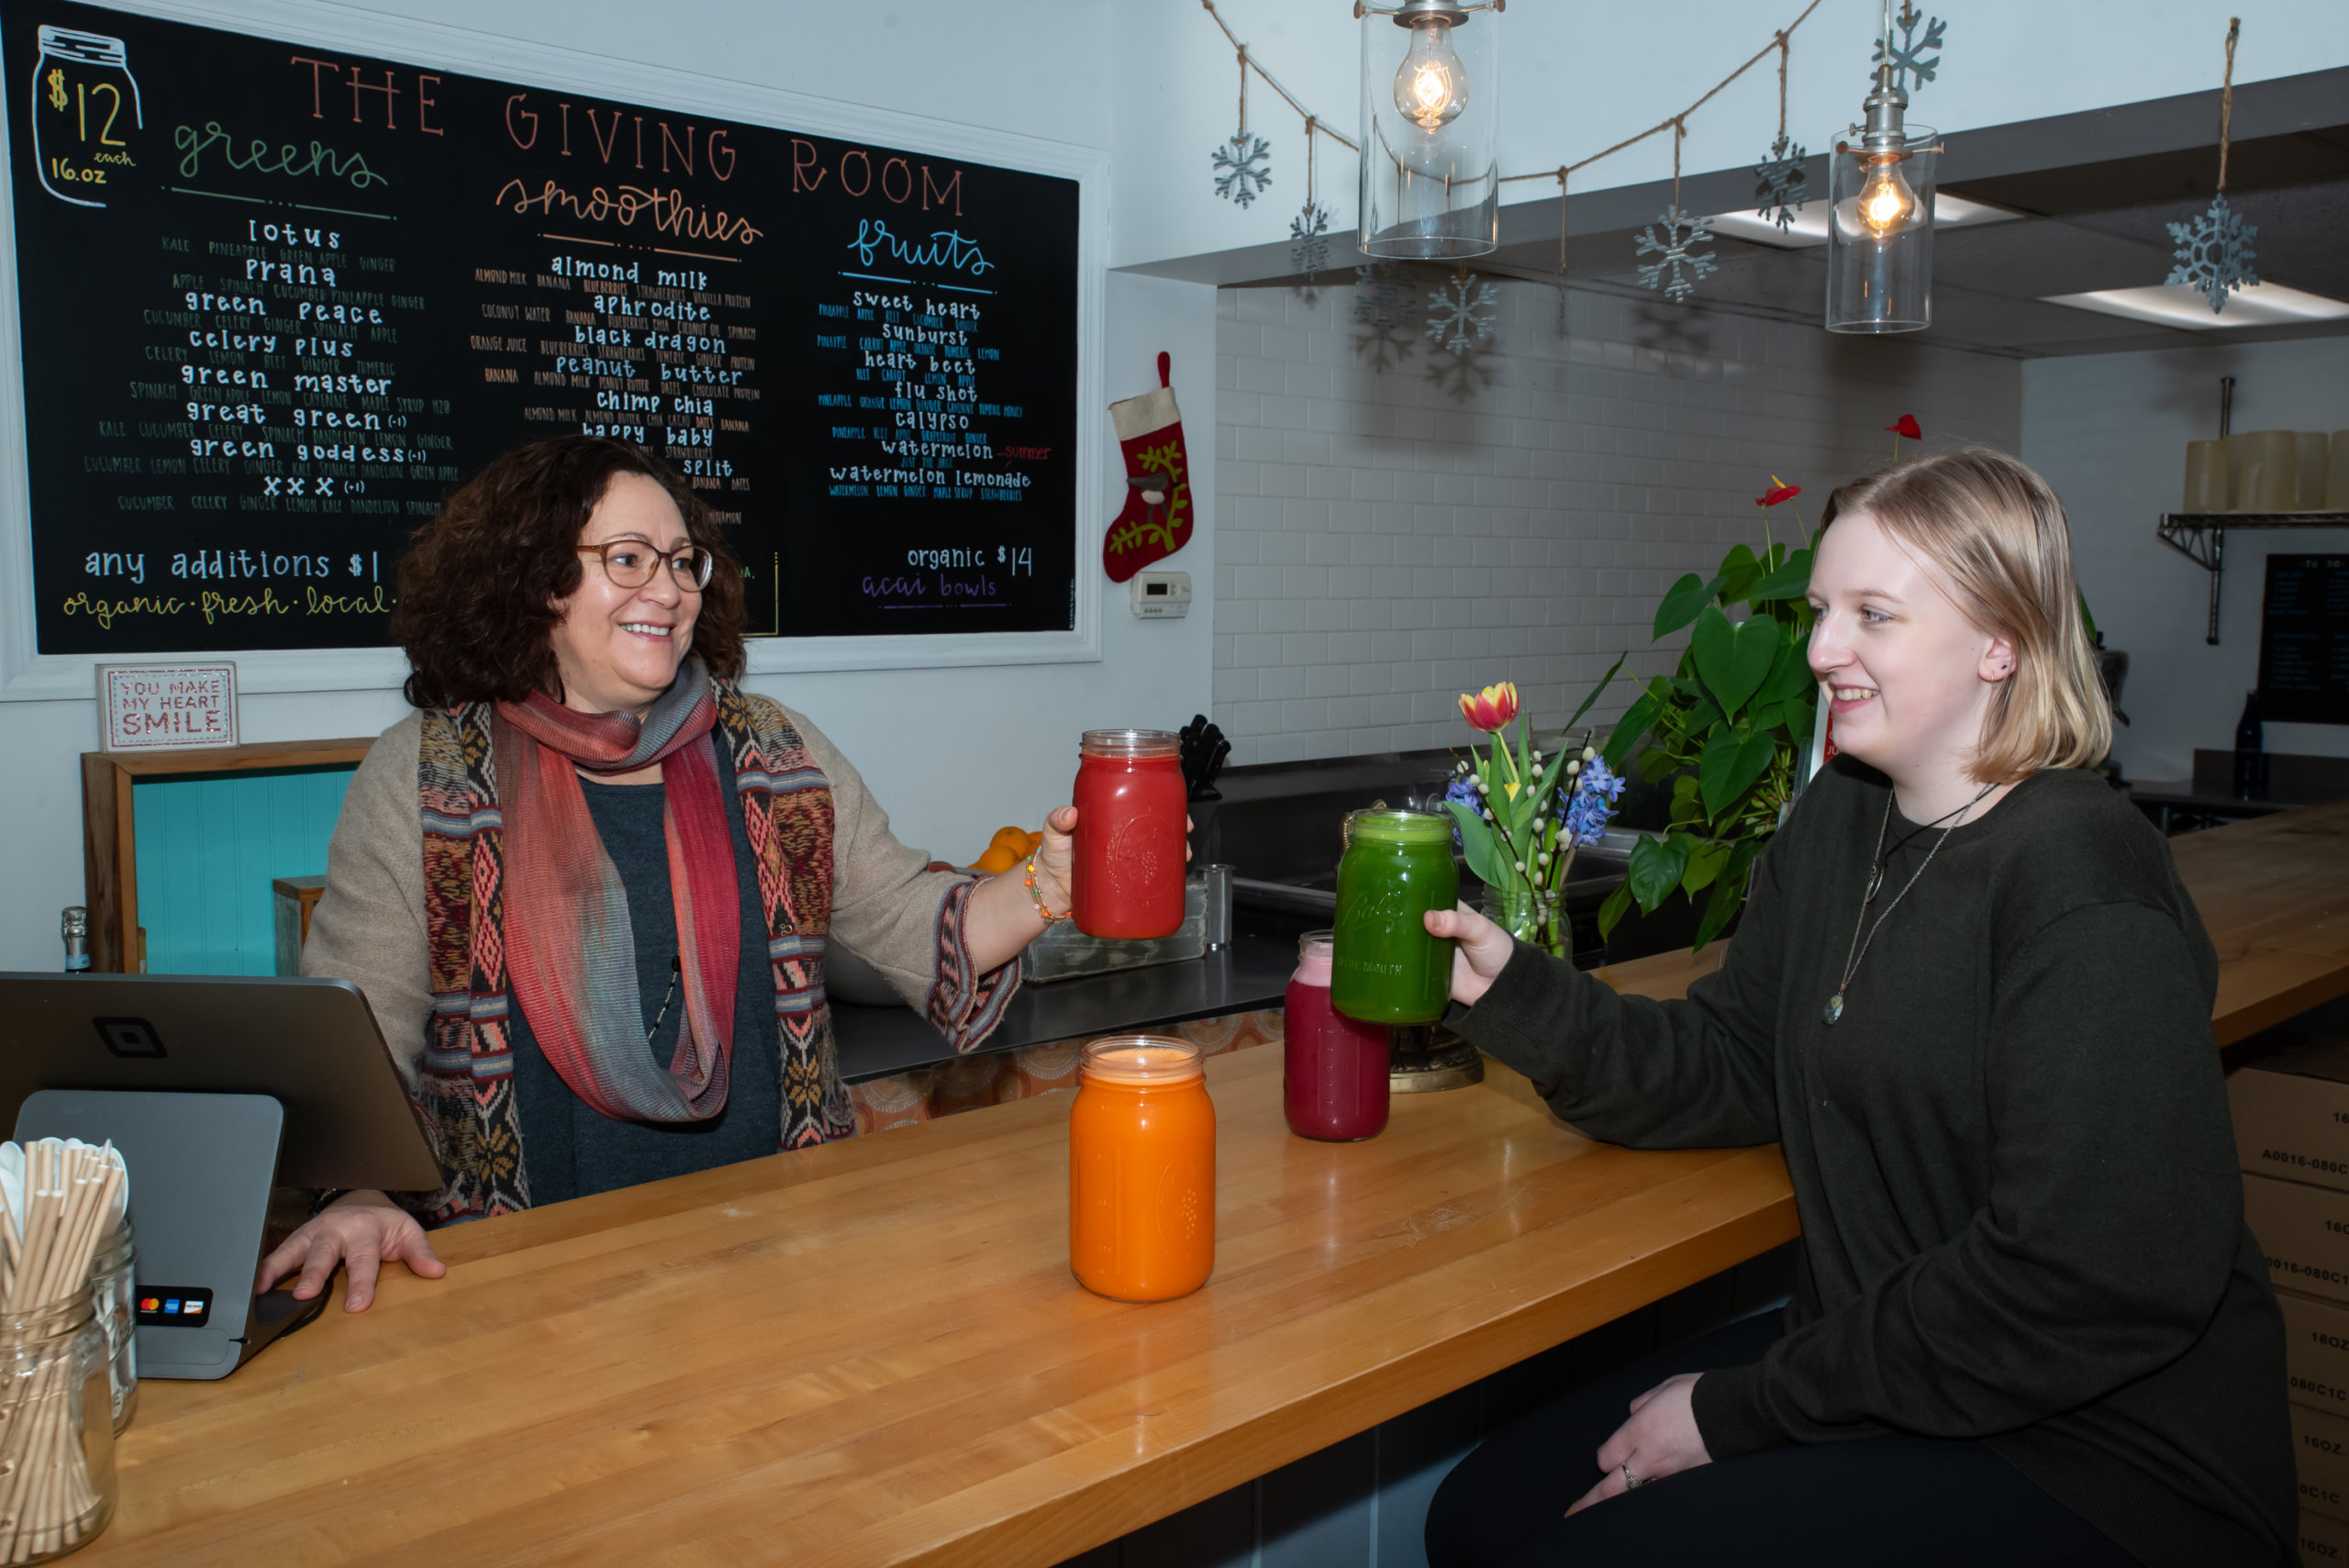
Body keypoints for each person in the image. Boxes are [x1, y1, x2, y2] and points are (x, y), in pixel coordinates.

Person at [1421, 449, 2295, 1568]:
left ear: (2002, 641)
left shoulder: (2080, 877)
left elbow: (2087, 1282)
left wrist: (1739, 1408)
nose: (1823, 650)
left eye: (1874, 615)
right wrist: (1515, 994)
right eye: (1824, 611)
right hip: (1893, 1360)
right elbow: (1740, 1055)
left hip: (2100, 1455)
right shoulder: (1843, 814)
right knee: (1478, 1515)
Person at [268, 437, 1090, 1312]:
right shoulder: (424, 778)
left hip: (771, 1263)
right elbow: (356, 1041)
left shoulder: (772, 750)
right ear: (534, 578)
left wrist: (1047, 883)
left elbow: (904, 918)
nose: (666, 590)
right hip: (519, 1292)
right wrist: (354, 1194)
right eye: (626, 559)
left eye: (682, 562)